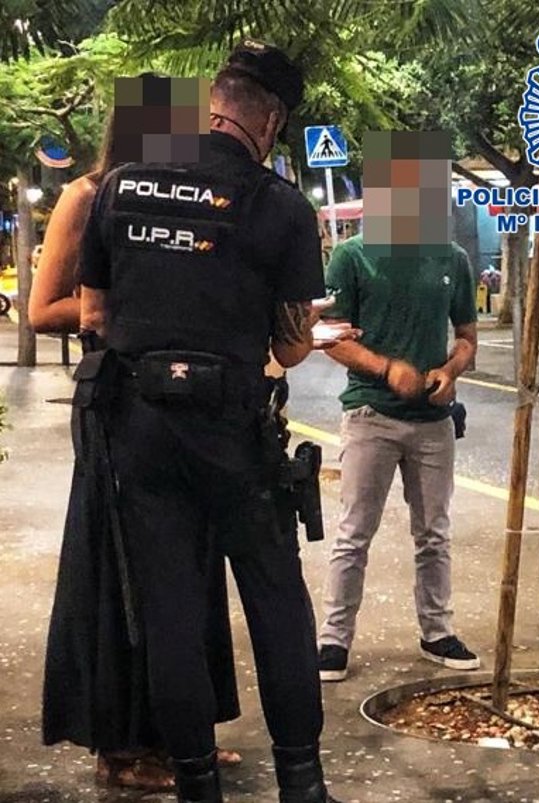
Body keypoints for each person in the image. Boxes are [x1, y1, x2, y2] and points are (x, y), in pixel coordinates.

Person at [77, 44, 352, 803]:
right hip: (234, 433)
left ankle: (196, 784)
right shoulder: (279, 205)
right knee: (276, 601)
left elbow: (94, 313)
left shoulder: (123, 185)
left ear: (213, 105)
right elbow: (290, 346)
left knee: (170, 610)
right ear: (272, 123)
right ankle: (301, 783)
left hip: (140, 431)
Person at [34, 103, 242, 792]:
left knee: (188, 571)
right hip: (118, 409)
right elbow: (42, 309)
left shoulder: (187, 198)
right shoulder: (89, 195)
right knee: (123, 573)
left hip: (187, 406)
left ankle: (183, 734)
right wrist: (136, 303)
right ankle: (121, 746)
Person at [315, 130, 480, 683]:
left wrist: (449, 372)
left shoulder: (452, 257)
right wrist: (387, 369)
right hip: (371, 416)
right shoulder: (352, 256)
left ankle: (437, 631)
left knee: (434, 533)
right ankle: (333, 640)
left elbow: (467, 337)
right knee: (353, 533)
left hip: (433, 422)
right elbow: (330, 336)